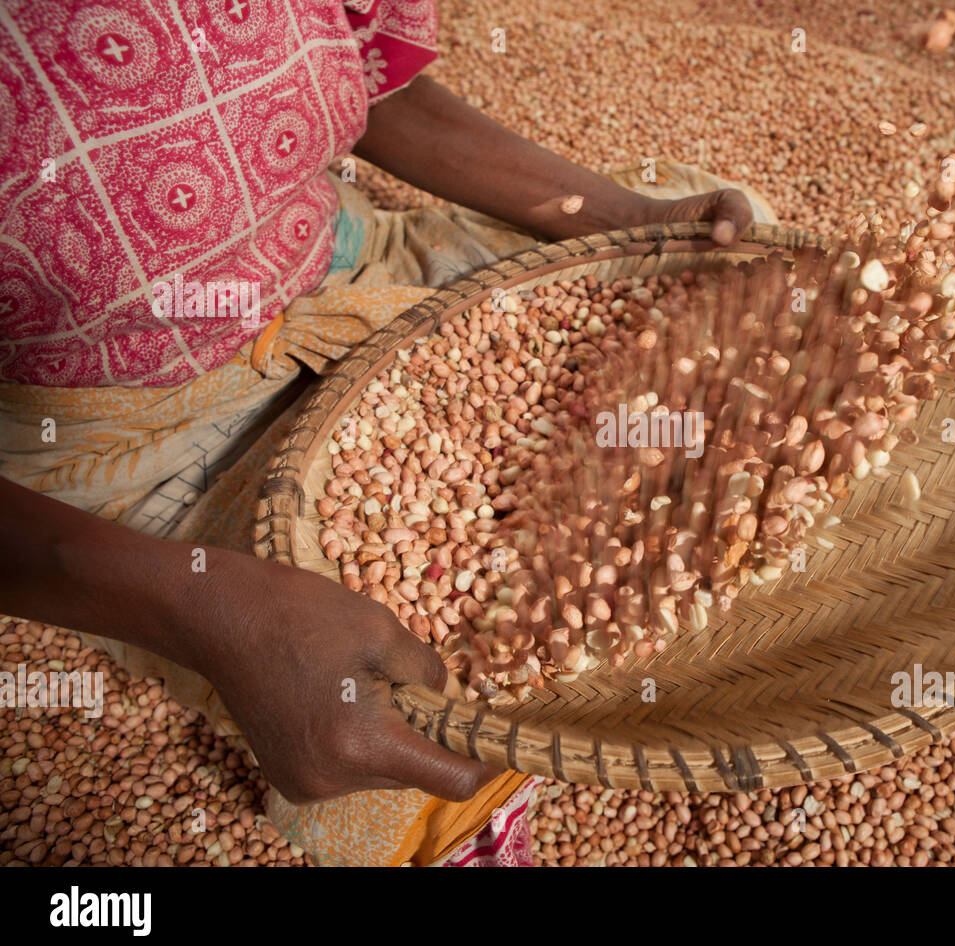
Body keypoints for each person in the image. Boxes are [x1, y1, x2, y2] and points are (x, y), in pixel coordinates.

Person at [0, 0, 771, 865]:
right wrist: (205, 607)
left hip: (344, 264)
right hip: (132, 424)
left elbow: (375, 85)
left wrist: (612, 218)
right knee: (420, 686)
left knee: (738, 269)